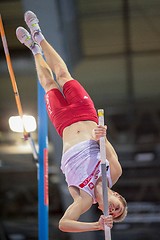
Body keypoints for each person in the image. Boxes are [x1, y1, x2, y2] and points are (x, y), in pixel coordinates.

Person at [16, 11, 127, 233]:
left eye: (114, 215)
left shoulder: (84, 200)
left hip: (63, 124)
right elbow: (107, 146)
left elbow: (64, 224)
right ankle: (39, 36)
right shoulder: (113, 173)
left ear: (102, 210)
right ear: (116, 195)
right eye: (119, 209)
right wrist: (101, 135)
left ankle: (35, 51)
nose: (114, 212)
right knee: (64, 75)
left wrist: (95, 226)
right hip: (85, 114)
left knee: (49, 84)